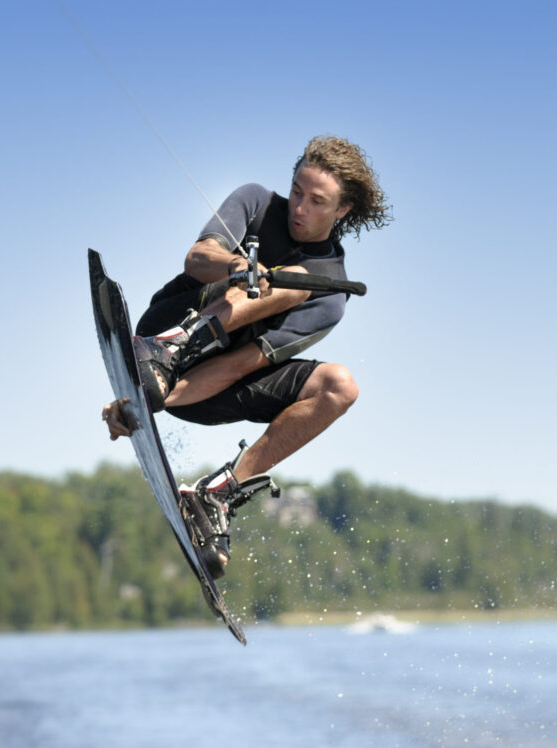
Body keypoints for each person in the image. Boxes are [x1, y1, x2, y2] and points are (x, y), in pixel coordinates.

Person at [102, 135, 391, 579]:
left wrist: (144, 402)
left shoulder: (331, 295)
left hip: (206, 386)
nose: (299, 208)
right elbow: (198, 257)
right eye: (297, 191)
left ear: (343, 210)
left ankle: (218, 493)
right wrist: (239, 268)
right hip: (163, 329)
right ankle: (171, 347)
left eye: (317, 201)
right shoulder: (256, 201)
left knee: (340, 385)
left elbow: (239, 366)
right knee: (285, 277)